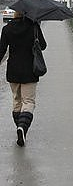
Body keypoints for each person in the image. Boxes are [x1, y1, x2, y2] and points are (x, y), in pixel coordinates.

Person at [0, 11, 47, 147]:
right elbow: (43, 46)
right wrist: (36, 28)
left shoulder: (7, 28)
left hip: (13, 70)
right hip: (29, 71)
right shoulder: (33, 27)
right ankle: (23, 128)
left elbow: (1, 50)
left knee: (17, 100)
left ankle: (20, 128)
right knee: (28, 101)